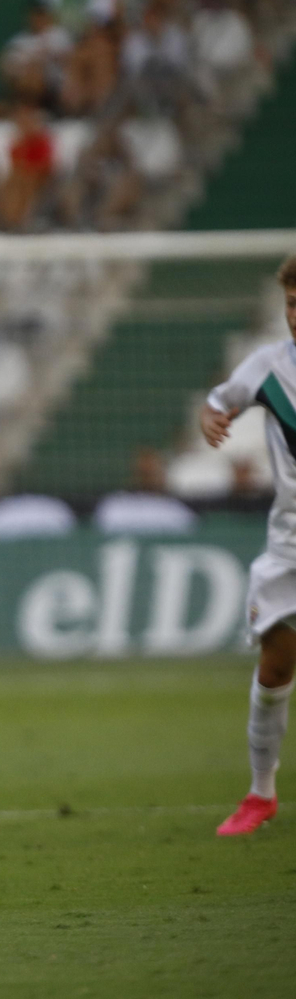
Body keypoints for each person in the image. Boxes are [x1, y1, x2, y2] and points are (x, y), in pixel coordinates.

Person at [200, 255, 296, 836]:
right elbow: (221, 397)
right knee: (276, 663)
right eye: (290, 305)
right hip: (290, 545)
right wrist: (213, 418)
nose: (294, 316)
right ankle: (261, 794)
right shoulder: (269, 367)